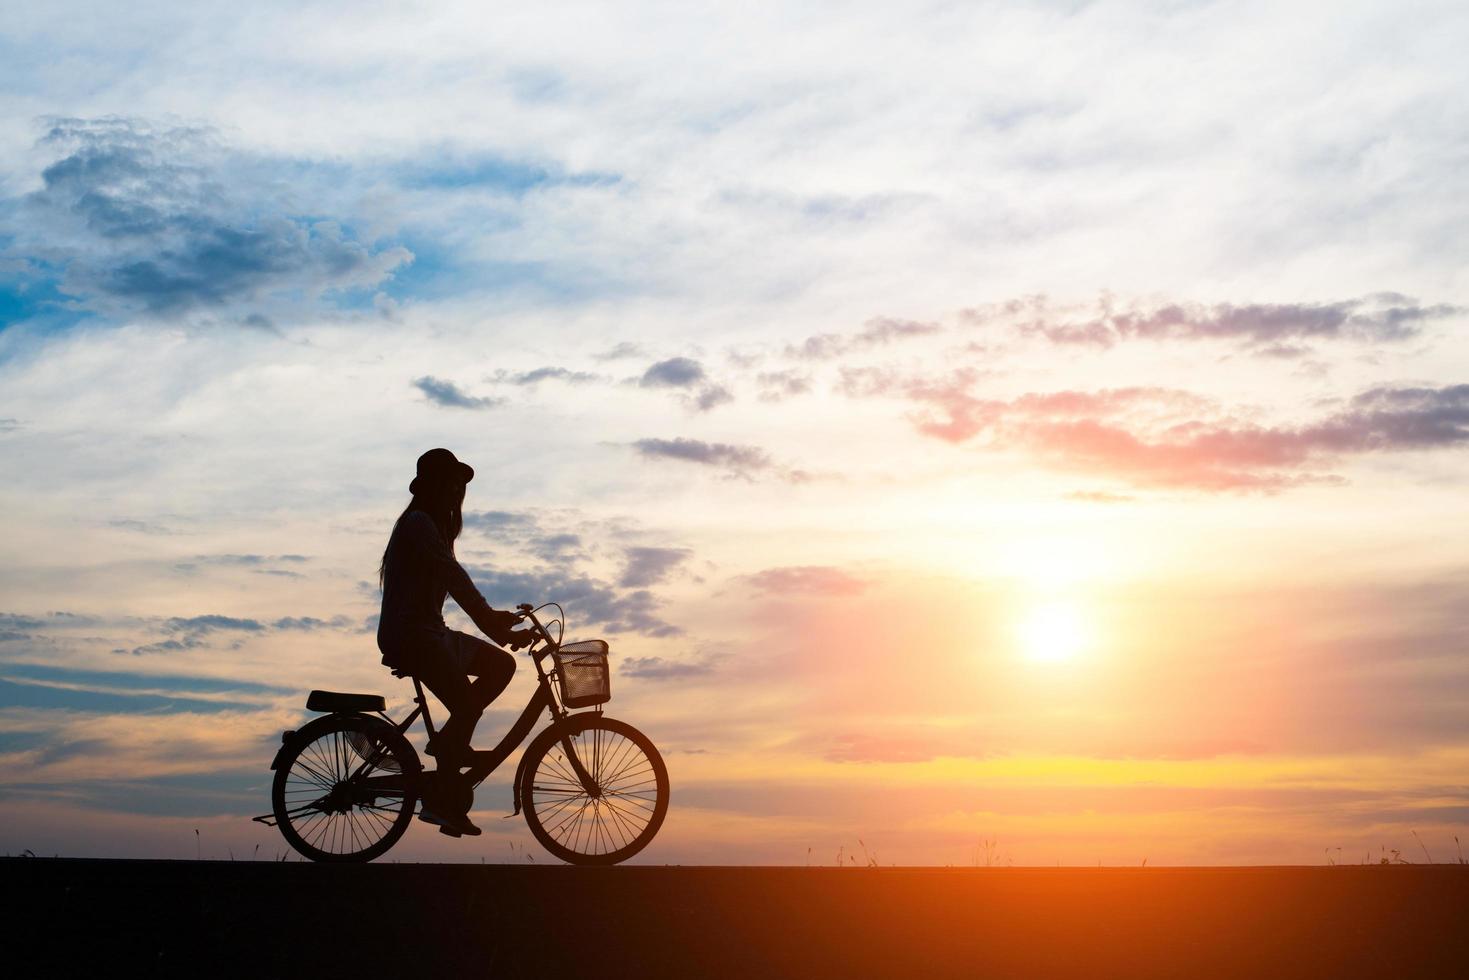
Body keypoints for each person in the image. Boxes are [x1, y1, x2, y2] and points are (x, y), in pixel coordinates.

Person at [377, 447, 529, 836]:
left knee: (501, 666)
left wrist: (497, 624)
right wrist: (493, 624)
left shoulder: (434, 529)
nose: (458, 491)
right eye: (452, 483)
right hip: (412, 635)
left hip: (431, 633)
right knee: (465, 704)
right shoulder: (418, 525)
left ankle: (448, 745)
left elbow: (450, 581)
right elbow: (454, 578)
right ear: (432, 487)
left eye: (460, 486)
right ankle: (443, 800)